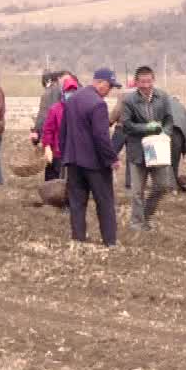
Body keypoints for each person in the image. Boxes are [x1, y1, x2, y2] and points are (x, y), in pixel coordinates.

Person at [62, 68, 120, 247]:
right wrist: (112, 159)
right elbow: (101, 137)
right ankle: (110, 241)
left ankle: (78, 239)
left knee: (77, 202)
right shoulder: (98, 104)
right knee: (104, 202)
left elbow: (63, 131)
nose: (109, 91)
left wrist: (65, 154)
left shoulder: (72, 99)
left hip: (73, 160)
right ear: (100, 83)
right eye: (109, 87)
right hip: (95, 164)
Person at [117, 66, 178, 231]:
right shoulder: (129, 101)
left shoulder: (162, 97)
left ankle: (146, 215)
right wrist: (147, 128)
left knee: (162, 185)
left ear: (153, 80)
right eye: (142, 82)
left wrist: (164, 133)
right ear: (136, 82)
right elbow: (127, 125)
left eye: (149, 81)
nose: (146, 85)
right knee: (137, 191)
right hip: (137, 150)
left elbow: (169, 119)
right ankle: (136, 223)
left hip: (158, 149)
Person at [39, 74, 79, 174]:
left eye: (74, 91)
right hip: (57, 153)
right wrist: (47, 147)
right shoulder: (55, 109)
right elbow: (48, 130)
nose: (71, 93)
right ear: (63, 92)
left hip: (74, 153)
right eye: (68, 91)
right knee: (54, 180)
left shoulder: (80, 109)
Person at [166, 93, 186, 193]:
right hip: (178, 135)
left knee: (164, 161)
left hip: (165, 133)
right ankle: (173, 188)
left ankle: (171, 186)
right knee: (174, 162)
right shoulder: (183, 108)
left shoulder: (162, 104)